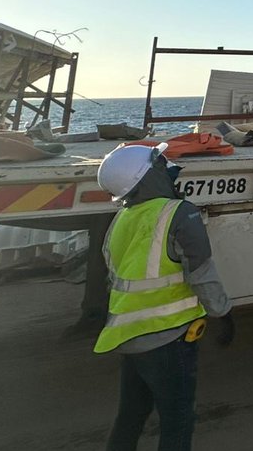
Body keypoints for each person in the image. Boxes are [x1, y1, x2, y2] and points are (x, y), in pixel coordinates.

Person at [94, 143, 235, 451]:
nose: (168, 168)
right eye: (160, 164)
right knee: (177, 420)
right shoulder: (179, 213)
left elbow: (114, 273)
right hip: (168, 338)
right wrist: (223, 314)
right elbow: (201, 273)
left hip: (129, 337)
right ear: (147, 177)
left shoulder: (122, 219)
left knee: (130, 416)